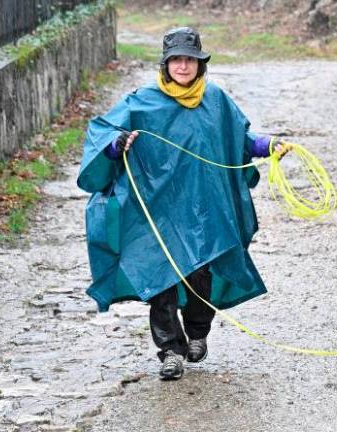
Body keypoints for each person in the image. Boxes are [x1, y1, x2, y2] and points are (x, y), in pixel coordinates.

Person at [77, 27, 289, 380]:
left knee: (200, 272)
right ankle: (170, 350)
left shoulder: (216, 100)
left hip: (204, 207)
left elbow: (238, 138)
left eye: (189, 59)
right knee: (160, 277)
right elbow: (103, 133)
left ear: (199, 63)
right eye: (176, 59)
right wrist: (117, 145)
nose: (183, 66)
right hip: (157, 208)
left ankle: (197, 333)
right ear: (165, 64)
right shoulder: (141, 102)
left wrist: (266, 145)